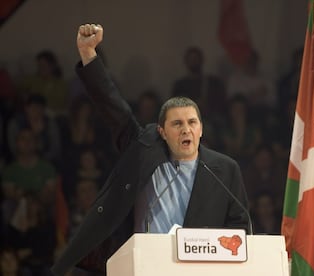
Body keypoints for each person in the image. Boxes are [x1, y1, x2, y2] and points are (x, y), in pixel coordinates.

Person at [51, 24, 249, 276]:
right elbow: (112, 105)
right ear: (162, 132)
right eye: (177, 124)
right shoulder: (143, 150)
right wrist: (89, 53)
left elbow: (240, 229)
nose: (186, 129)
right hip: (139, 266)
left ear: (201, 129)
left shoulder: (224, 170)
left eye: (192, 123)